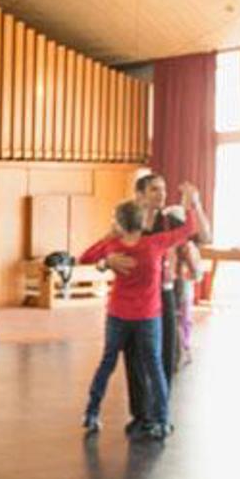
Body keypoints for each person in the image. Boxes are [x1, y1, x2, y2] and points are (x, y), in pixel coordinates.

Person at [79, 188, 210, 440]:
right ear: (142, 223)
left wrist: (108, 247)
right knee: (155, 367)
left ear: (119, 223)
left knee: (107, 364)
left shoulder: (113, 246)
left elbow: (85, 257)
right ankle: (162, 420)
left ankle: (91, 413)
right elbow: (187, 230)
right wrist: (193, 202)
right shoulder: (154, 244)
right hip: (148, 317)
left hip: (118, 315)